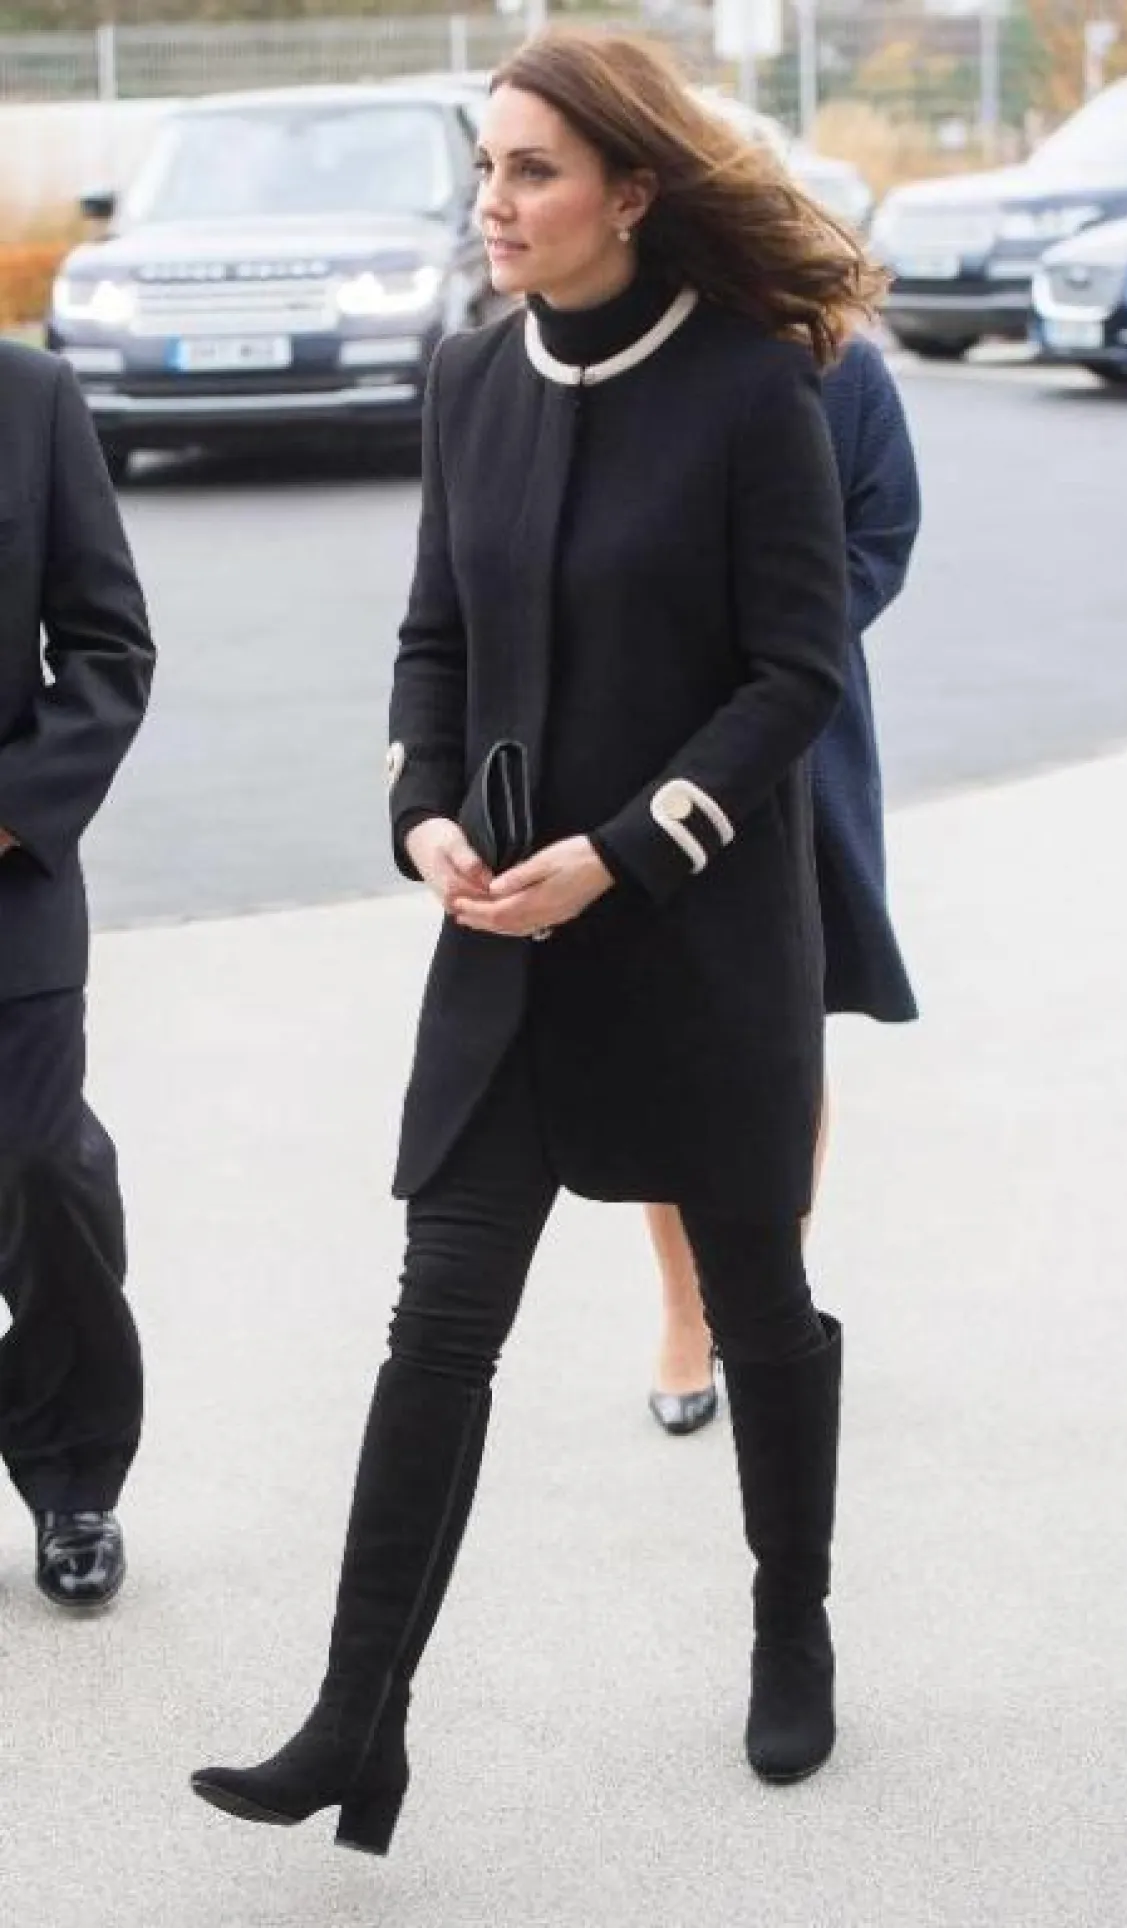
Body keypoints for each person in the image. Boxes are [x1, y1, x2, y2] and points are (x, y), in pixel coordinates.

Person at [191, 27, 885, 1852]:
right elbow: (434, 636)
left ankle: (792, 1619)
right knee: (440, 1315)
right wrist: (422, 804)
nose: (491, 203)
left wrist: (630, 851)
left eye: (531, 172)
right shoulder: (469, 378)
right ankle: (358, 1719)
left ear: (629, 193)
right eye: (485, 167)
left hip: (701, 940)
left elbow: (797, 672)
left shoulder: (752, 386)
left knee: (757, 1302)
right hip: (506, 939)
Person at [647, 332, 921, 1435]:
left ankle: (763, 1298)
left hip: (800, 739)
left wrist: (776, 635)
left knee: (781, 1039)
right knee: (665, 1045)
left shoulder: (842, 366)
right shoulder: (637, 347)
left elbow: (882, 537)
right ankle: (684, 1312)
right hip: (646, 734)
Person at [0, 341, 155, 1609]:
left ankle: (74, 1478)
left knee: (44, 1162)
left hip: (9, 873)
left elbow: (108, 646)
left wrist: (10, 811)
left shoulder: (31, 398)